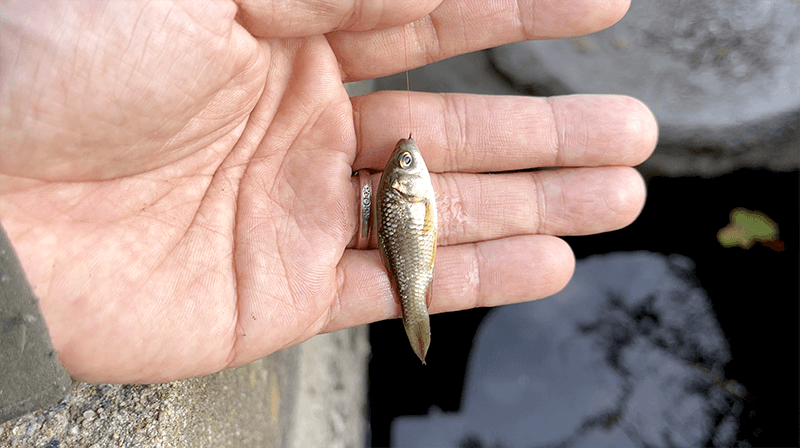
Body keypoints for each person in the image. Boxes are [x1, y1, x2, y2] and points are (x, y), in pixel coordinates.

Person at [0, 0, 657, 384]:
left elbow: (407, 209)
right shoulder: (408, 186)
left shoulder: (403, 188)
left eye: (405, 165)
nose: (410, 161)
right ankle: (415, 315)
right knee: (431, 282)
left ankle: (414, 315)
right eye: (406, 166)